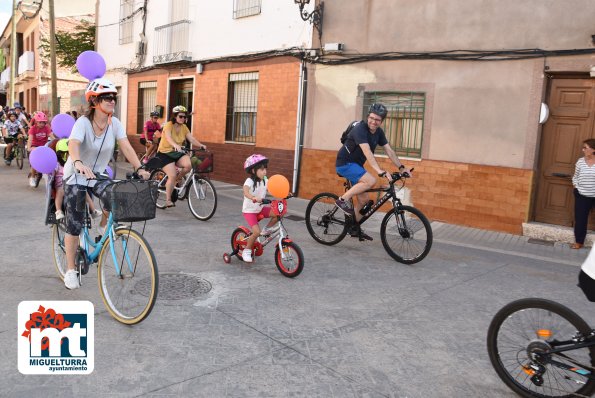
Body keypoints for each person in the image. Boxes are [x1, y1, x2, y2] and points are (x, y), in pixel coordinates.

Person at [61, 77, 149, 290]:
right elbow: (73, 144)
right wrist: (78, 161)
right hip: (76, 175)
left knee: (116, 195)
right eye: (106, 97)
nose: (111, 101)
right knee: (74, 223)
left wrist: (140, 168)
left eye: (113, 97)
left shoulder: (114, 123)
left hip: (97, 174)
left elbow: (126, 146)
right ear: (94, 101)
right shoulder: (83, 123)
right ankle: (71, 270)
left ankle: (103, 233)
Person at [334, 103, 412, 241]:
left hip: (356, 166)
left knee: (363, 200)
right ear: (367, 116)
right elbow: (367, 151)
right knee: (371, 180)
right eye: (371, 118)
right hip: (344, 163)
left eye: (377, 120)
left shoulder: (379, 132)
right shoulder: (360, 129)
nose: (373, 121)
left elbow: (389, 150)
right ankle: (342, 200)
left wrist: (401, 167)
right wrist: (379, 171)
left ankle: (353, 227)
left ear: (381, 121)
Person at [155, 105, 206, 207]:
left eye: (184, 117)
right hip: (164, 153)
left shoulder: (184, 127)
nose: (183, 118)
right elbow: (168, 138)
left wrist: (201, 145)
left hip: (176, 152)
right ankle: (168, 200)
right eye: (181, 116)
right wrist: (175, 145)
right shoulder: (168, 125)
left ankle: (178, 179)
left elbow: (191, 139)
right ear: (175, 116)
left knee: (189, 164)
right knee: (172, 175)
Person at [241, 154, 279, 263]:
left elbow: (273, 189)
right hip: (249, 211)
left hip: (260, 208)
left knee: (277, 213)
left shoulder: (265, 180)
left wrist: (284, 194)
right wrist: (252, 197)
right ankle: (246, 251)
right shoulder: (250, 181)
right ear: (253, 170)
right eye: (262, 169)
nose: (265, 171)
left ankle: (266, 229)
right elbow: (245, 191)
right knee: (256, 232)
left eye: (265, 168)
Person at [571, 138, 595, 249]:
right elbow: (575, 176)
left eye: (585, 147)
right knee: (580, 219)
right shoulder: (580, 161)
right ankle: (579, 242)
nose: (583, 150)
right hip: (581, 195)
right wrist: (576, 186)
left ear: (593, 149)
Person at [27, 112, 54, 187]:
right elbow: (30, 139)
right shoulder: (33, 128)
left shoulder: (46, 128)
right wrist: (29, 148)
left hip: (44, 146)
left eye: (43, 122)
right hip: (34, 146)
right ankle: (32, 177)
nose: (42, 124)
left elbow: (52, 137)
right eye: (40, 122)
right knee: (34, 163)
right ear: (36, 122)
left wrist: (57, 142)